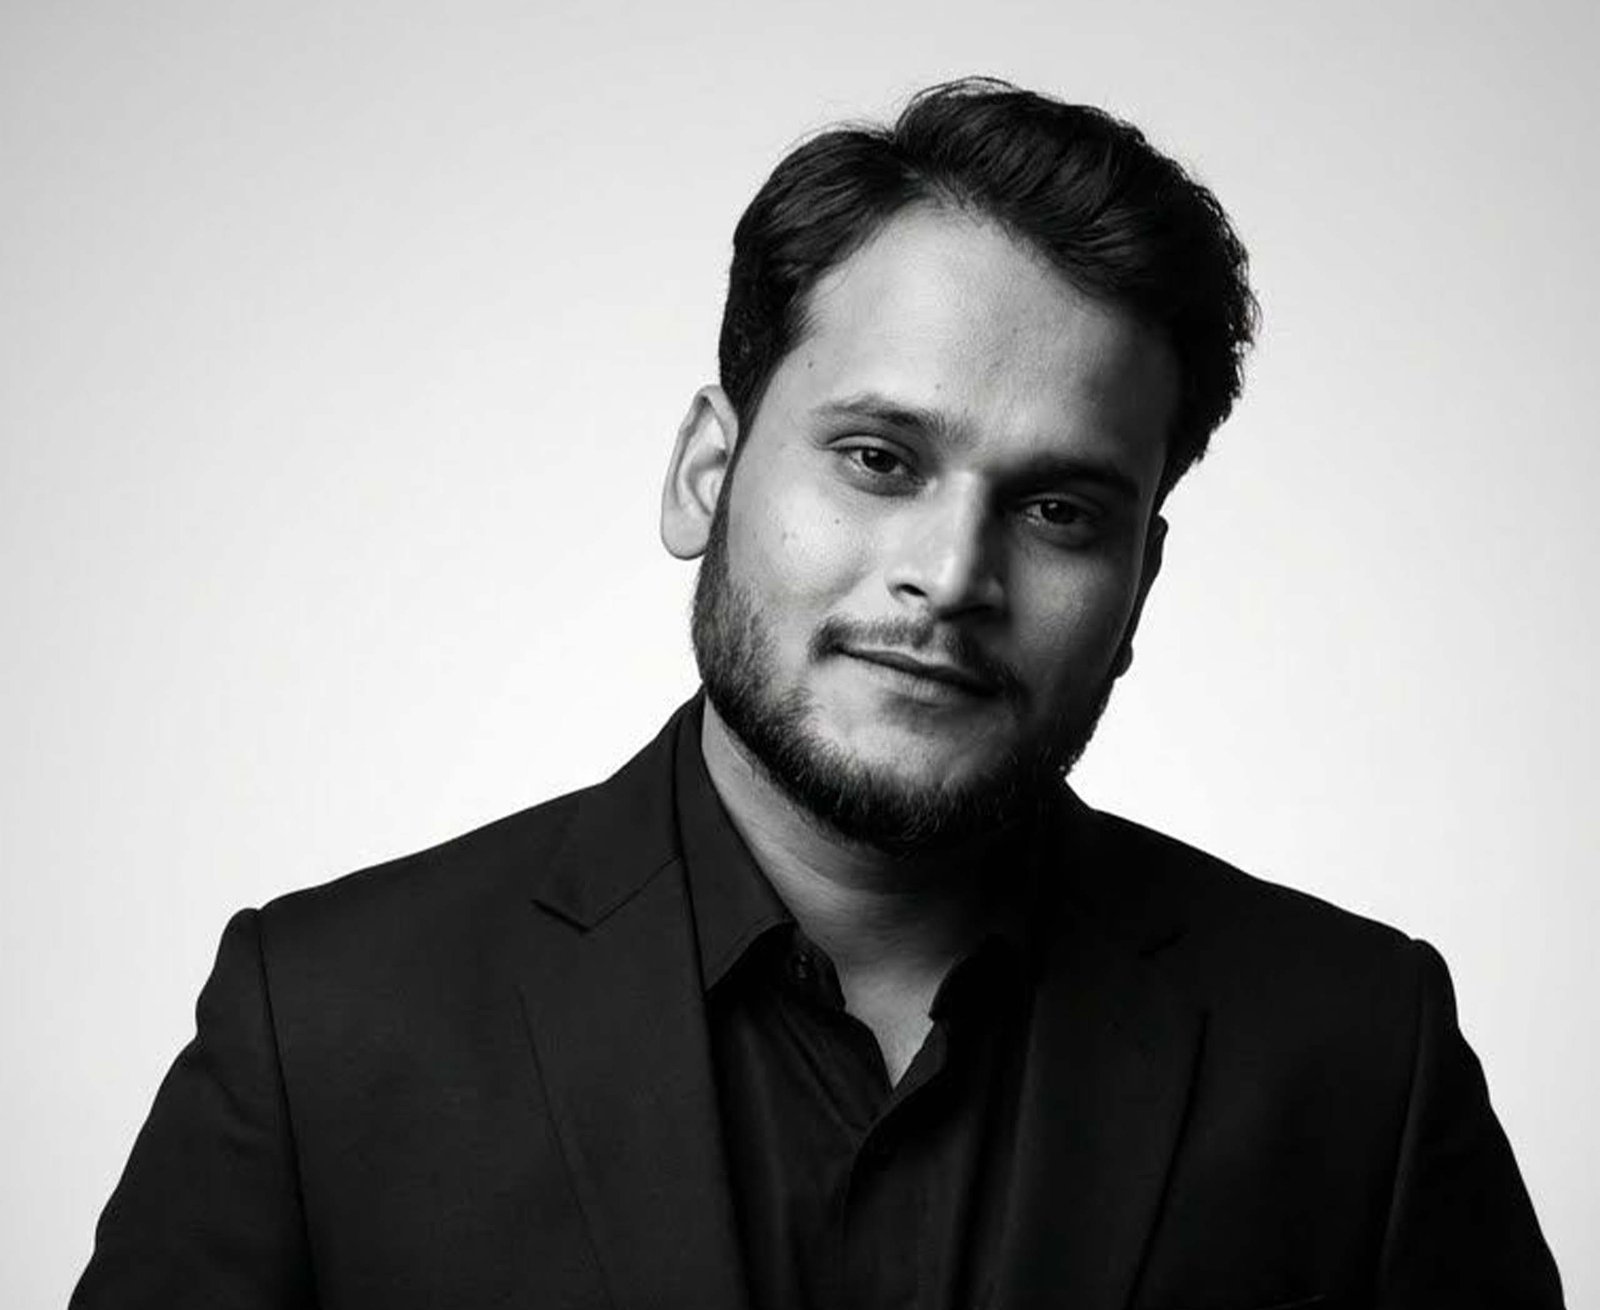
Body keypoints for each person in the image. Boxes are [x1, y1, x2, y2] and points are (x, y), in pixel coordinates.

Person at [72, 78, 1563, 1309]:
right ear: (706, 473)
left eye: (1058, 510)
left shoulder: (1358, 1057)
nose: (951, 575)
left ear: (1139, 584)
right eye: (878, 458)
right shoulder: (324, 1026)